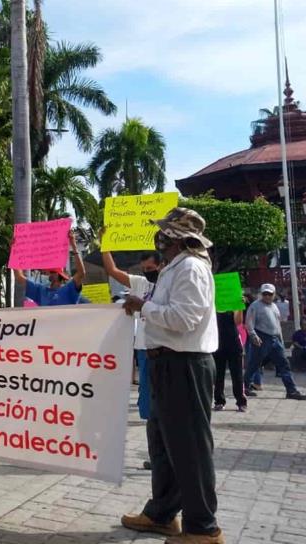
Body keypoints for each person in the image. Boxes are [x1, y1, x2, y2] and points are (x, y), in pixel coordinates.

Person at [119, 207, 222, 544]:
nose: (159, 238)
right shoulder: (173, 268)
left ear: (176, 237)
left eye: (164, 233)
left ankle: (203, 528)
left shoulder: (191, 268)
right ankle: (162, 514)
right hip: (167, 364)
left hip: (185, 365)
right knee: (163, 445)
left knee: (190, 448)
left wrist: (142, 307)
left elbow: (183, 319)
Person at [102, 250, 162, 422]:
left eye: (150, 267)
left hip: (164, 345)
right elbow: (113, 271)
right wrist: (105, 247)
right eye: (144, 268)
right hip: (144, 346)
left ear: (160, 265)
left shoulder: (169, 284)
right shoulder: (140, 283)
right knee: (146, 388)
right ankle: (151, 421)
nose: (147, 271)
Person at [244, 283, 306, 400]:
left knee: (284, 365)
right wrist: (254, 336)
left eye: (270, 294)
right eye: (265, 294)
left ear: (274, 295)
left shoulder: (274, 306)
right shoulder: (255, 306)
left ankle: (291, 390)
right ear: (261, 294)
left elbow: (278, 325)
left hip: (275, 339)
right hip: (261, 339)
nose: (267, 296)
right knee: (254, 364)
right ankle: (245, 387)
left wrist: (281, 341)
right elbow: (249, 323)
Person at [15, 230, 85, 306]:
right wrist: (14, 251)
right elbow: (19, 277)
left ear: (59, 274)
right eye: (48, 271)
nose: (48, 274)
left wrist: (74, 246)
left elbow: (81, 273)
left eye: (52, 271)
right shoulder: (41, 290)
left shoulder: (69, 289)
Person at [214, 309, 247, 412]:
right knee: (218, 374)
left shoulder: (234, 302)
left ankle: (241, 402)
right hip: (217, 342)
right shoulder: (214, 302)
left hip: (233, 341)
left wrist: (238, 307)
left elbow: (238, 321)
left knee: (237, 374)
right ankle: (219, 401)